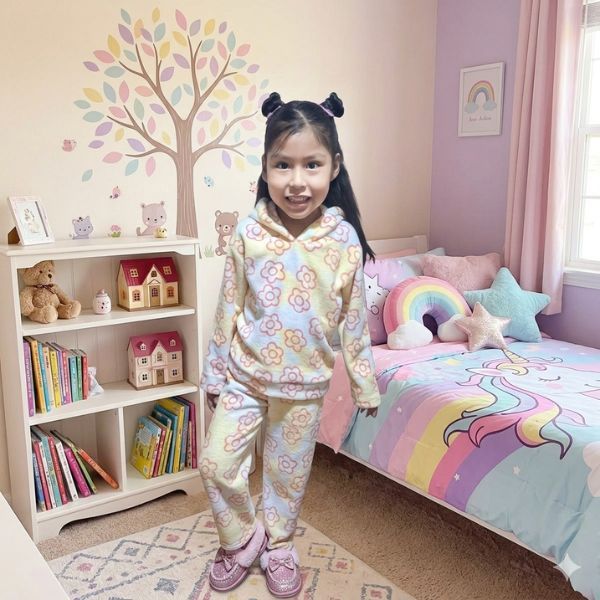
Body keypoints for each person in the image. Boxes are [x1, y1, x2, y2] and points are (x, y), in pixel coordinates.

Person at [199, 91, 380, 597]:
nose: (297, 181)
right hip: (244, 378)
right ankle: (242, 538)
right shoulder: (249, 233)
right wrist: (215, 372)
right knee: (215, 463)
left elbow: (353, 320)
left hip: (304, 386)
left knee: (287, 477)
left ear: (334, 166)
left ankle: (279, 545)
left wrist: (364, 383)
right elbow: (228, 306)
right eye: (283, 165)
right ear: (265, 168)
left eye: (311, 165)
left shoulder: (343, 241)